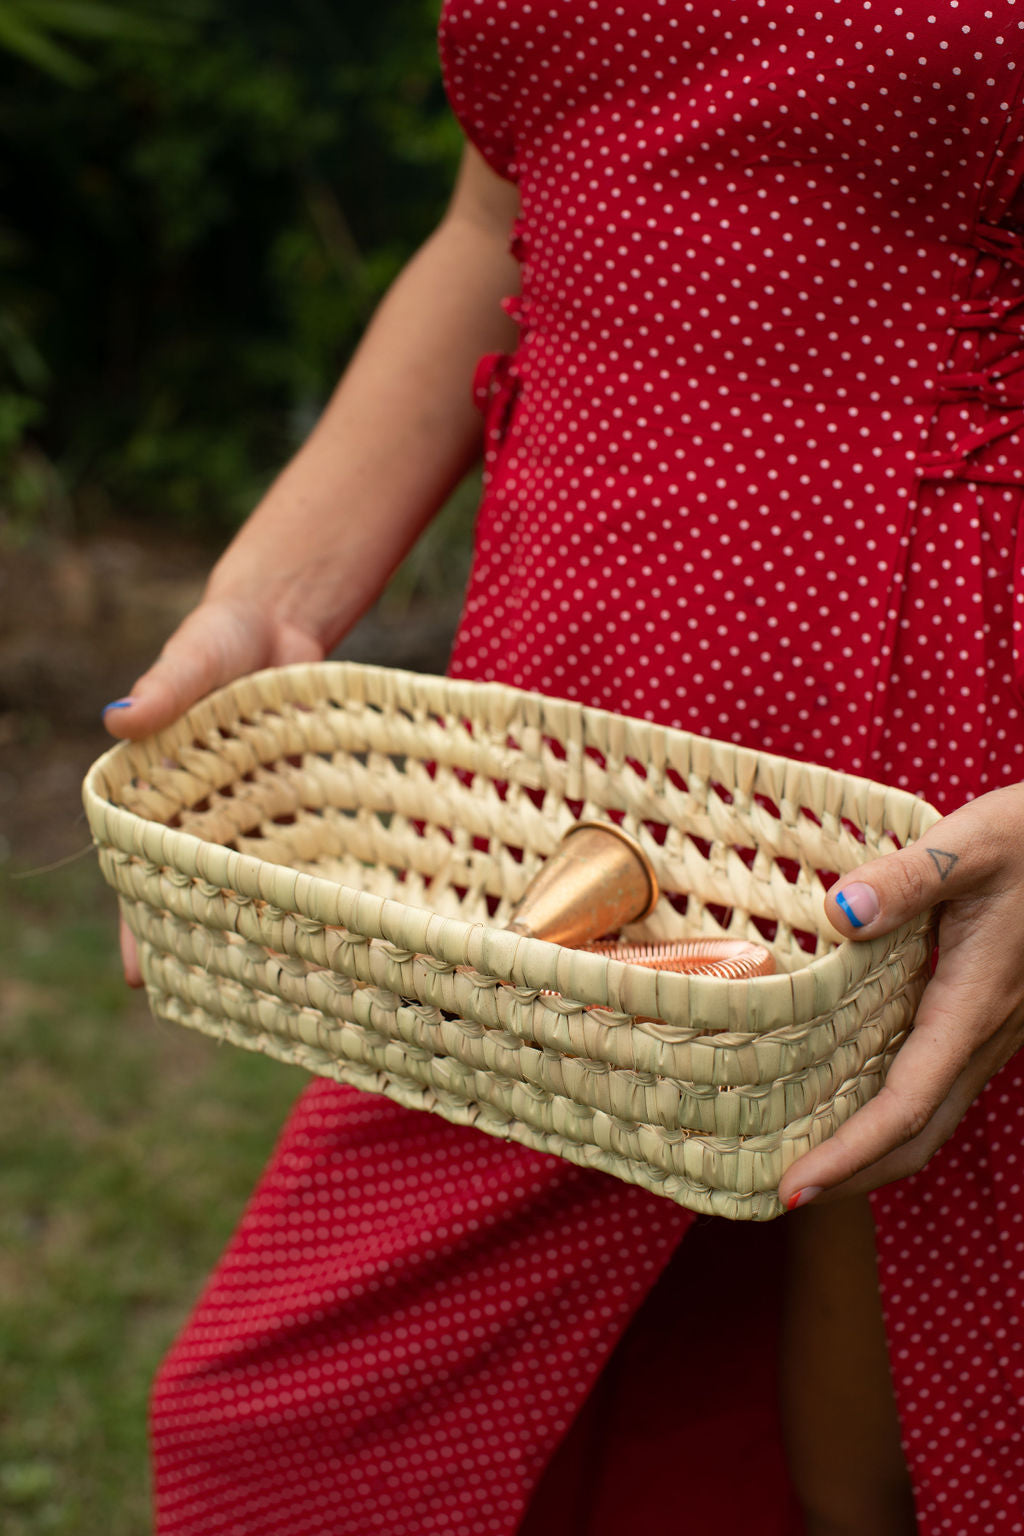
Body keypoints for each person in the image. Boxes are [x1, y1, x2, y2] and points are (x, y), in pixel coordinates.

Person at [103, 3, 1024, 1532]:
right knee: (289, 1443)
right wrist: (271, 598)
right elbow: (499, 214)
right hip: (558, 819)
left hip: (953, 797)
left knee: (908, 1465)